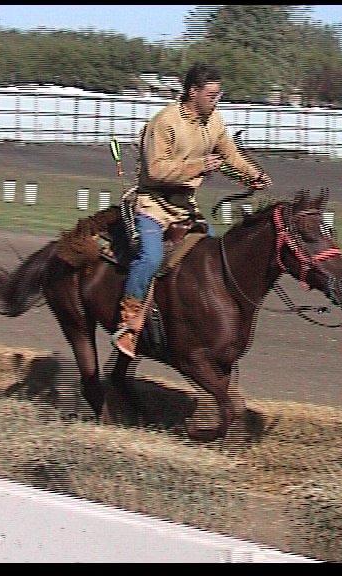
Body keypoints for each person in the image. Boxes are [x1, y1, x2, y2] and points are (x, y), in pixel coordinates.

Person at [113, 62, 272, 358]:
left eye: (219, 95)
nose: (216, 101)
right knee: (151, 258)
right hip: (152, 206)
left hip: (186, 208)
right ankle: (129, 324)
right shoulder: (165, 122)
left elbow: (230, 156)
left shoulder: (215, 122)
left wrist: (253, 175)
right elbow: (156, 170)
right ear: (192, 92)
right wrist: (200, 165)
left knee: (216, 257)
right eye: (211, 95)